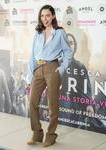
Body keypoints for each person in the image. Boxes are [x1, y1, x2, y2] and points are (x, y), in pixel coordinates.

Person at [26, 5, 73, 147]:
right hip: (37, 70)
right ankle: (37, 134)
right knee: (32, 102)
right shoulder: (38, 33)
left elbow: (68, 53)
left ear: (53, 16)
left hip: (53, 68)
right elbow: (32, 56)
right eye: (42, 16)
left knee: (52, 105)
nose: (44, 19)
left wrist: (61, 68)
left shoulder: (59, 33)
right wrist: (30, 76)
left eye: (47, 15)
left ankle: (51, 136)